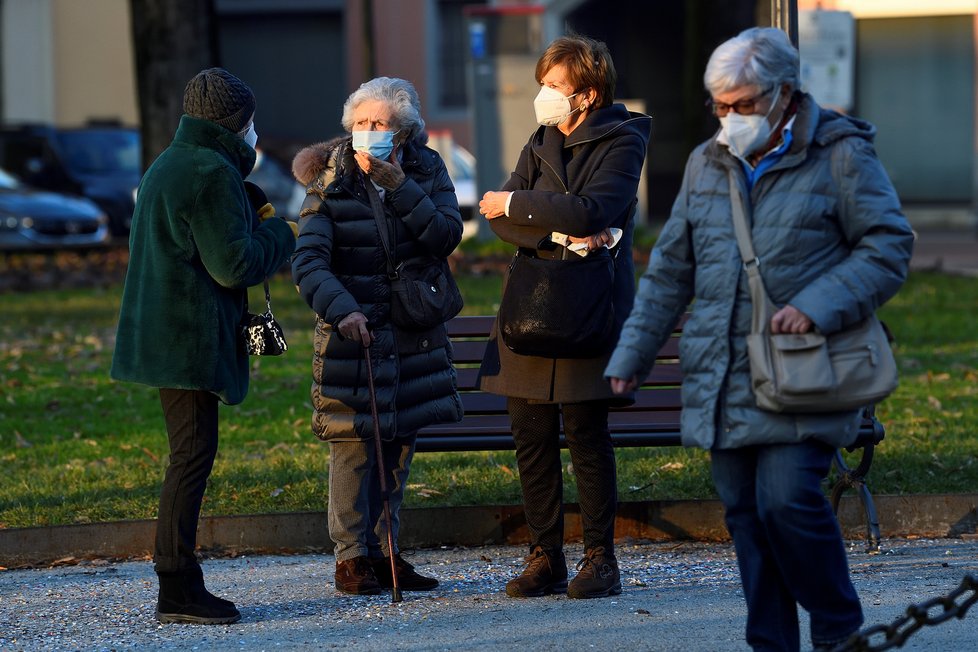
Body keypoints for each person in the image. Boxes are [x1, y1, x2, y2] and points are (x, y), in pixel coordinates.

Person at [605, 27, 914, 651]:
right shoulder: (706, 161)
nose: (728, 118)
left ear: (783, 94)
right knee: (746, 517)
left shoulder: (841, 153)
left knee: (787, 502)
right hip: (725, 371)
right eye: (719, 105)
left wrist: (818, 304)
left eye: (741, 104)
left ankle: (836, 627)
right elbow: (671, 269)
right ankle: (771, 642)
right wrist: (632, 353)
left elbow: (889, 245)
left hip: (809, 368)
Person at [111, 67, 297, 624]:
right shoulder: (211, 172)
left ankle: (180, 581)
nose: (256, 133)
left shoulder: (171, 163)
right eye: (251, 123)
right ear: (235, 124)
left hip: (165, 336)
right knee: (190, 460)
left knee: (187, 457)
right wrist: (281, 233)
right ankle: (177, 587)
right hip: (188, 341)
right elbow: (233, 265)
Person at [476, 35, 651, 600]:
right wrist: (557, 229)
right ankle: (545, 554)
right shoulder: (540, 138)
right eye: (543, 84)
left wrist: (522, 206)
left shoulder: (624, 140)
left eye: (554, 86)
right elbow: (496, 217)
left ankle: (601, 558)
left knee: (585, 434)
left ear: (588, 94)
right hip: (531, 305)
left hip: (587, 306)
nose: (543, 96)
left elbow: (592, 208)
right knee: (529, 434)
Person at [291, 77, 464, 596]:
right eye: (361, 123)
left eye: (380, 124)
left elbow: (445, 236)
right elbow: (309, 260)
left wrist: (400, 187)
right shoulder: (332, 176)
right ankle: (351, 558)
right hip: (356, 333)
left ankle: (387, 551)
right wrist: (342, 309)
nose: (369, 132)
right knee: (354, 446)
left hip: (413, 332)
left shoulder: (427, 169)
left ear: (404, 131)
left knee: (399, 445)